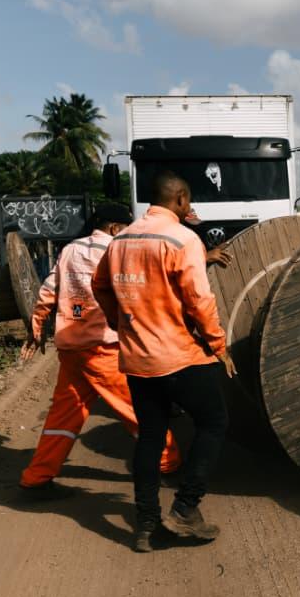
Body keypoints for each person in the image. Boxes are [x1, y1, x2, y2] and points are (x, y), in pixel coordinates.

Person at [92, 172, 237, 553]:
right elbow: (199, 301)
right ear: (182, 199)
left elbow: (100, 286)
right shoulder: (184, 239)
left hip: (138, 360)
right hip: (180, 356)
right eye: (188, 202)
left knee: (150, 436)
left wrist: (119, 323)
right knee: (214, 422)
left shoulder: (120, 239)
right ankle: (186, 508)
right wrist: (218, 346)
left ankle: (146, 524)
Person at [18, 204, 180, 495]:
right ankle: (169, 465)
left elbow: (48, 290)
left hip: (71, 348)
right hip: (104, 348)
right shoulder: (119, 251)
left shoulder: (69, 249)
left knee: (63, 418)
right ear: (116, 228)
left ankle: (37, 478)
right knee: (140, 409)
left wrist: (37, 326)